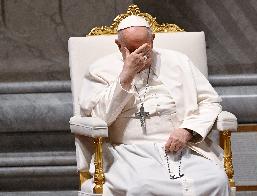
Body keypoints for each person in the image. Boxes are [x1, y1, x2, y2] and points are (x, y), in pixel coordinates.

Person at [79, 15, 229, 196]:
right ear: (119, 45)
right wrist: (126, 76)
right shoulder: (100, 70)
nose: (140, 54)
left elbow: (210, 101)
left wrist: (188, 130)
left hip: (181, 148)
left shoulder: (179, 62)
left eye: (145, 47)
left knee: (216, 181)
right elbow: (99, 118)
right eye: (132, 49)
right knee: (143, 187)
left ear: (153, 40)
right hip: (129, 152)